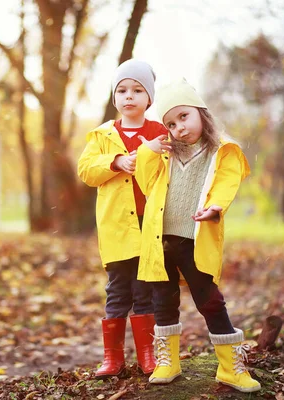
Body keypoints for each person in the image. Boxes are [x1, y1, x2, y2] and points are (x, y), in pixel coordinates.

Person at [134, 78, 261, 392]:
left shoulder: (219, 151)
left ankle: (230, 366)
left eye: (184, 116)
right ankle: (168, 362)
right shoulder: (165, 153)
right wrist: (147, 150)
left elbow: (227, 183)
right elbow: (145, 182)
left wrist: (215, 207)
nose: (178, 127)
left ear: (201, 112)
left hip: (194, 238)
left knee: (210, 300)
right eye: (171, 123)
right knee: (163, 300)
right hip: (160, 240)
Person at [77, 59, 168, 378]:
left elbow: (170, 167)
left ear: (149, 99)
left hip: (149, 224)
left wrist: (152, 152)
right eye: (122, 90)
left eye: (137, 90)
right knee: (117, 290)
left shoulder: (159, 132)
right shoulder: (101, 135)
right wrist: (116, 161)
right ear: (115, 98)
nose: (129, 96)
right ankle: (112, 358)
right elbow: (86, 170)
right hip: (116, 226)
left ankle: (148, 355)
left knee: (145, 289)